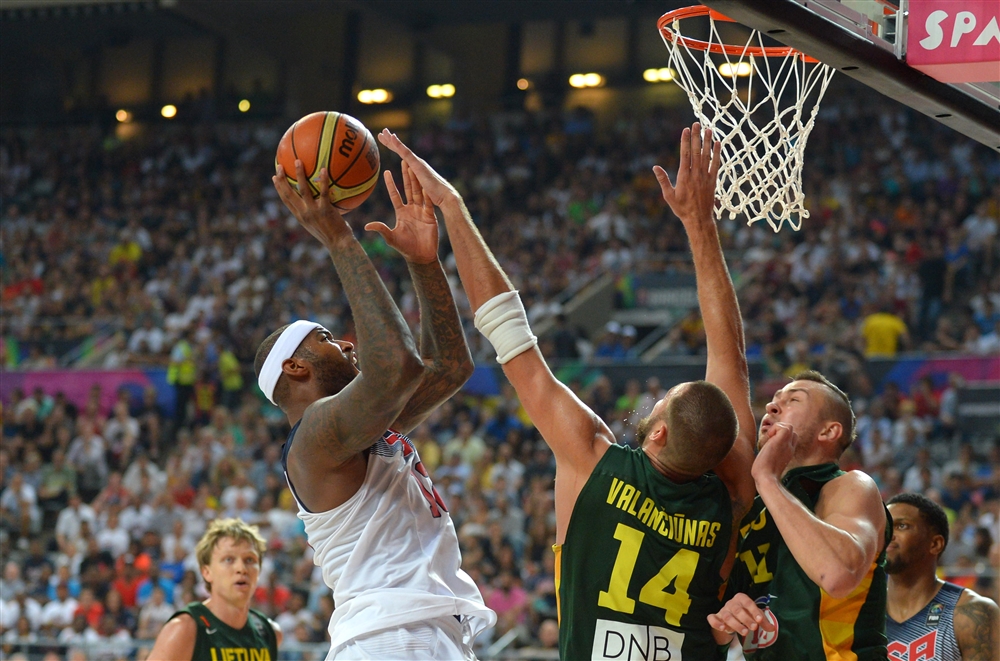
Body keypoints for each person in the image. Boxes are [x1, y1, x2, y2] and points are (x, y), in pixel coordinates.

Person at [379, 124, 757, 660]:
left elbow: (510, 335)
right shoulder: (732, 490)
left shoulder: (592, 458)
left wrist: (455, 208)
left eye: (663, 399)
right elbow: (730, 356)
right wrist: (701, 226)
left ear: (661, 430)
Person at [255, 157, 495, 659]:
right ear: (296, 368)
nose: (345, 343)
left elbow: (450, 366)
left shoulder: (365, 429)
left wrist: (424, 263)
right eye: (324, 339)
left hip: (427, 629)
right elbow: (398, 367)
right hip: (388, 635)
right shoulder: (316, 436)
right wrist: (339, 238)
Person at [709, 373, 891, 659]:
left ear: (829, 432)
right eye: (773, 400)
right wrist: (725, 623)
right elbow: (717, 632)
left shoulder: (849, 485)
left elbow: (837, 575)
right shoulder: (753, 509)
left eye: (793, 400)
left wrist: (767, 479)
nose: (771, 407)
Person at [146, 518, 281, 661]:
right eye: (229, 559)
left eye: (249, 560)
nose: (241, 569)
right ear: (206, 572)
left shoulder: (269, 632)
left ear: (259, 570)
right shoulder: (185, 629)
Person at [885, 493, 999, 661]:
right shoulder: (861, 609)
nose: (888, 535)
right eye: (886, 527)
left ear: (935, 544)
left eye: (902, 526)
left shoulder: (973, 614)